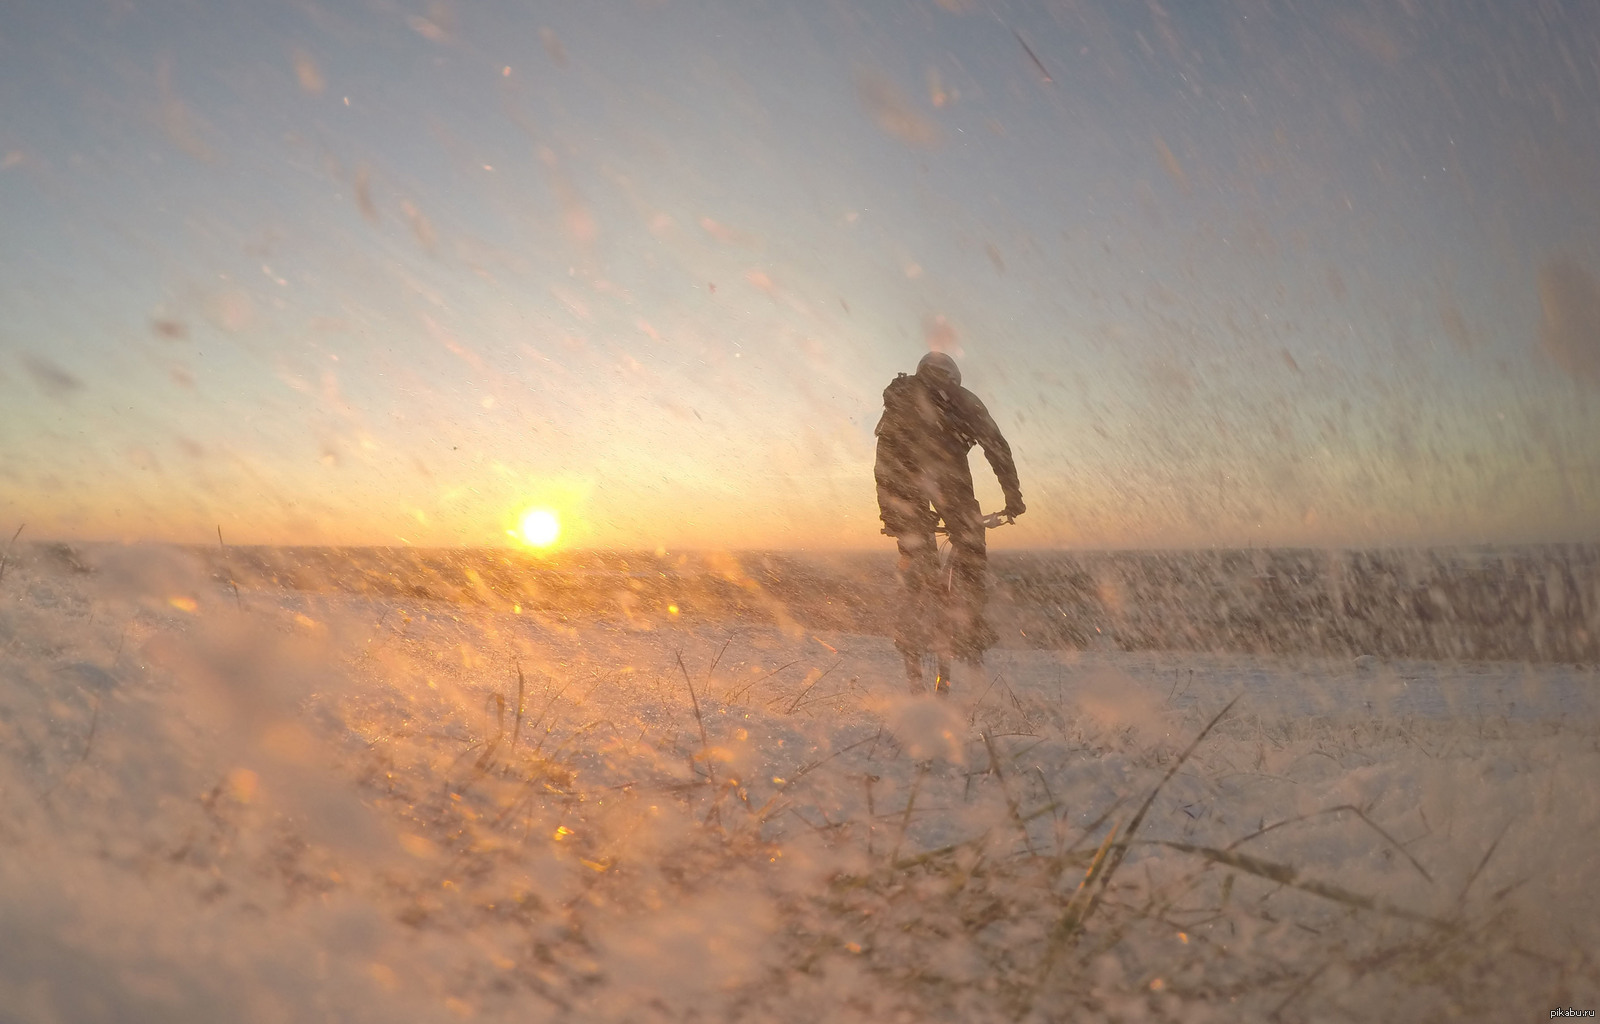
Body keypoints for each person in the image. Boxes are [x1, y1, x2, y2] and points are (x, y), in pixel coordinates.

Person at [874, 352, 1025, 691]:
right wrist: (1012, 497)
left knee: (916, 559)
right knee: (970, 545)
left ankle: (910, 631)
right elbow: (997, 448)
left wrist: (893, 513)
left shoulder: (900, 397)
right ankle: (970, 628)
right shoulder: (964, 401)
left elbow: (884, 460)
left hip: (899, 485)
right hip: (948, 480)